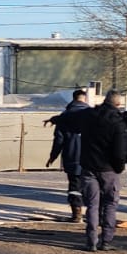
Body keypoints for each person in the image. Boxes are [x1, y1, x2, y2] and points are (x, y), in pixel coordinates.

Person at [54, 89, 127, 250]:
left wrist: (55, 119)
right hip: (109, 169)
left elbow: (68, 118)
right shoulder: (118, 122)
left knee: (92, 205)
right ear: (118, 104)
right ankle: (106, 240)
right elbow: (120, 149)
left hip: (88, 166)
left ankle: (91, 240)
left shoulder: (89, 114)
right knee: (110, 204)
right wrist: (119, 166)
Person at [46, 89, 91, 222]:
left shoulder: (64, 116)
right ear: (85, 99)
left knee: (74, 186)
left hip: (72, 157)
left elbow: (59, 140)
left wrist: (53, 156)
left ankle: (77, 213)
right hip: (92, 158)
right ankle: (94, 213)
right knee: (92, 185)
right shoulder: (92, 115)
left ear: (73, 99)